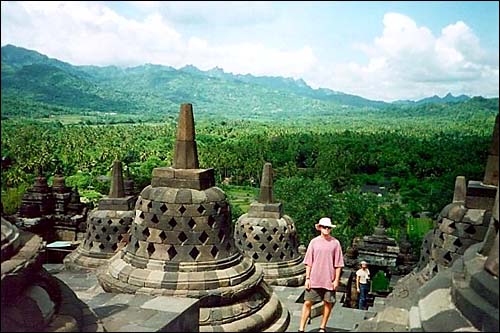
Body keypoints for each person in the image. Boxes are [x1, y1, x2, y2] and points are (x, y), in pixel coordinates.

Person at [298, 217, 344, 333]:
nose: (327, 229)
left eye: (328, 227)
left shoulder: (335, 243)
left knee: (328, 303)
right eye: (324, 227)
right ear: (319, 228)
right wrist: (307, 278)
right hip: (314, 278)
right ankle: (301, 328)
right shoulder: (314, 242)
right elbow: (308, 262)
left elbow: (338, 264)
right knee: (308, 302)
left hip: (329, 278)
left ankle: (322, 327)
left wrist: (336, 280)